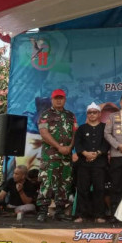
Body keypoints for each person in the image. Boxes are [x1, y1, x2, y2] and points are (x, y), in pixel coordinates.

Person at [36, 88, 78, 223]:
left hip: (66, 156)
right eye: (56, 98)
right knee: (47, 183)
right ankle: (43, 212)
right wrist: (59, 147)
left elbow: (75, 133)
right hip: (50, 156)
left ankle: (60, 212)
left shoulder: (70, 115)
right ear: (52, 100)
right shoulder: (45, 115)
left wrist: (70, 147)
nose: (59, 100)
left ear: (65, 100)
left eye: (61, 98)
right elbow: (44, 133)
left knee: (64, 184)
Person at [74, 102, 109, 223]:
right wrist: (85, 153)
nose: (92, 114)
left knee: (99, 189)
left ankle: (99, 215)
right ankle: (81, 215)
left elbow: (106, 144)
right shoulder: (81, 129)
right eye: (90, 112)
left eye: (95, 112)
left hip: (100, 164)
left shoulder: (105, 128)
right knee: (82, 189)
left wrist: (97, 153)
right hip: (84, 163)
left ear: (99, 114)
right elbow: (77, 144)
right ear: (87, 114)